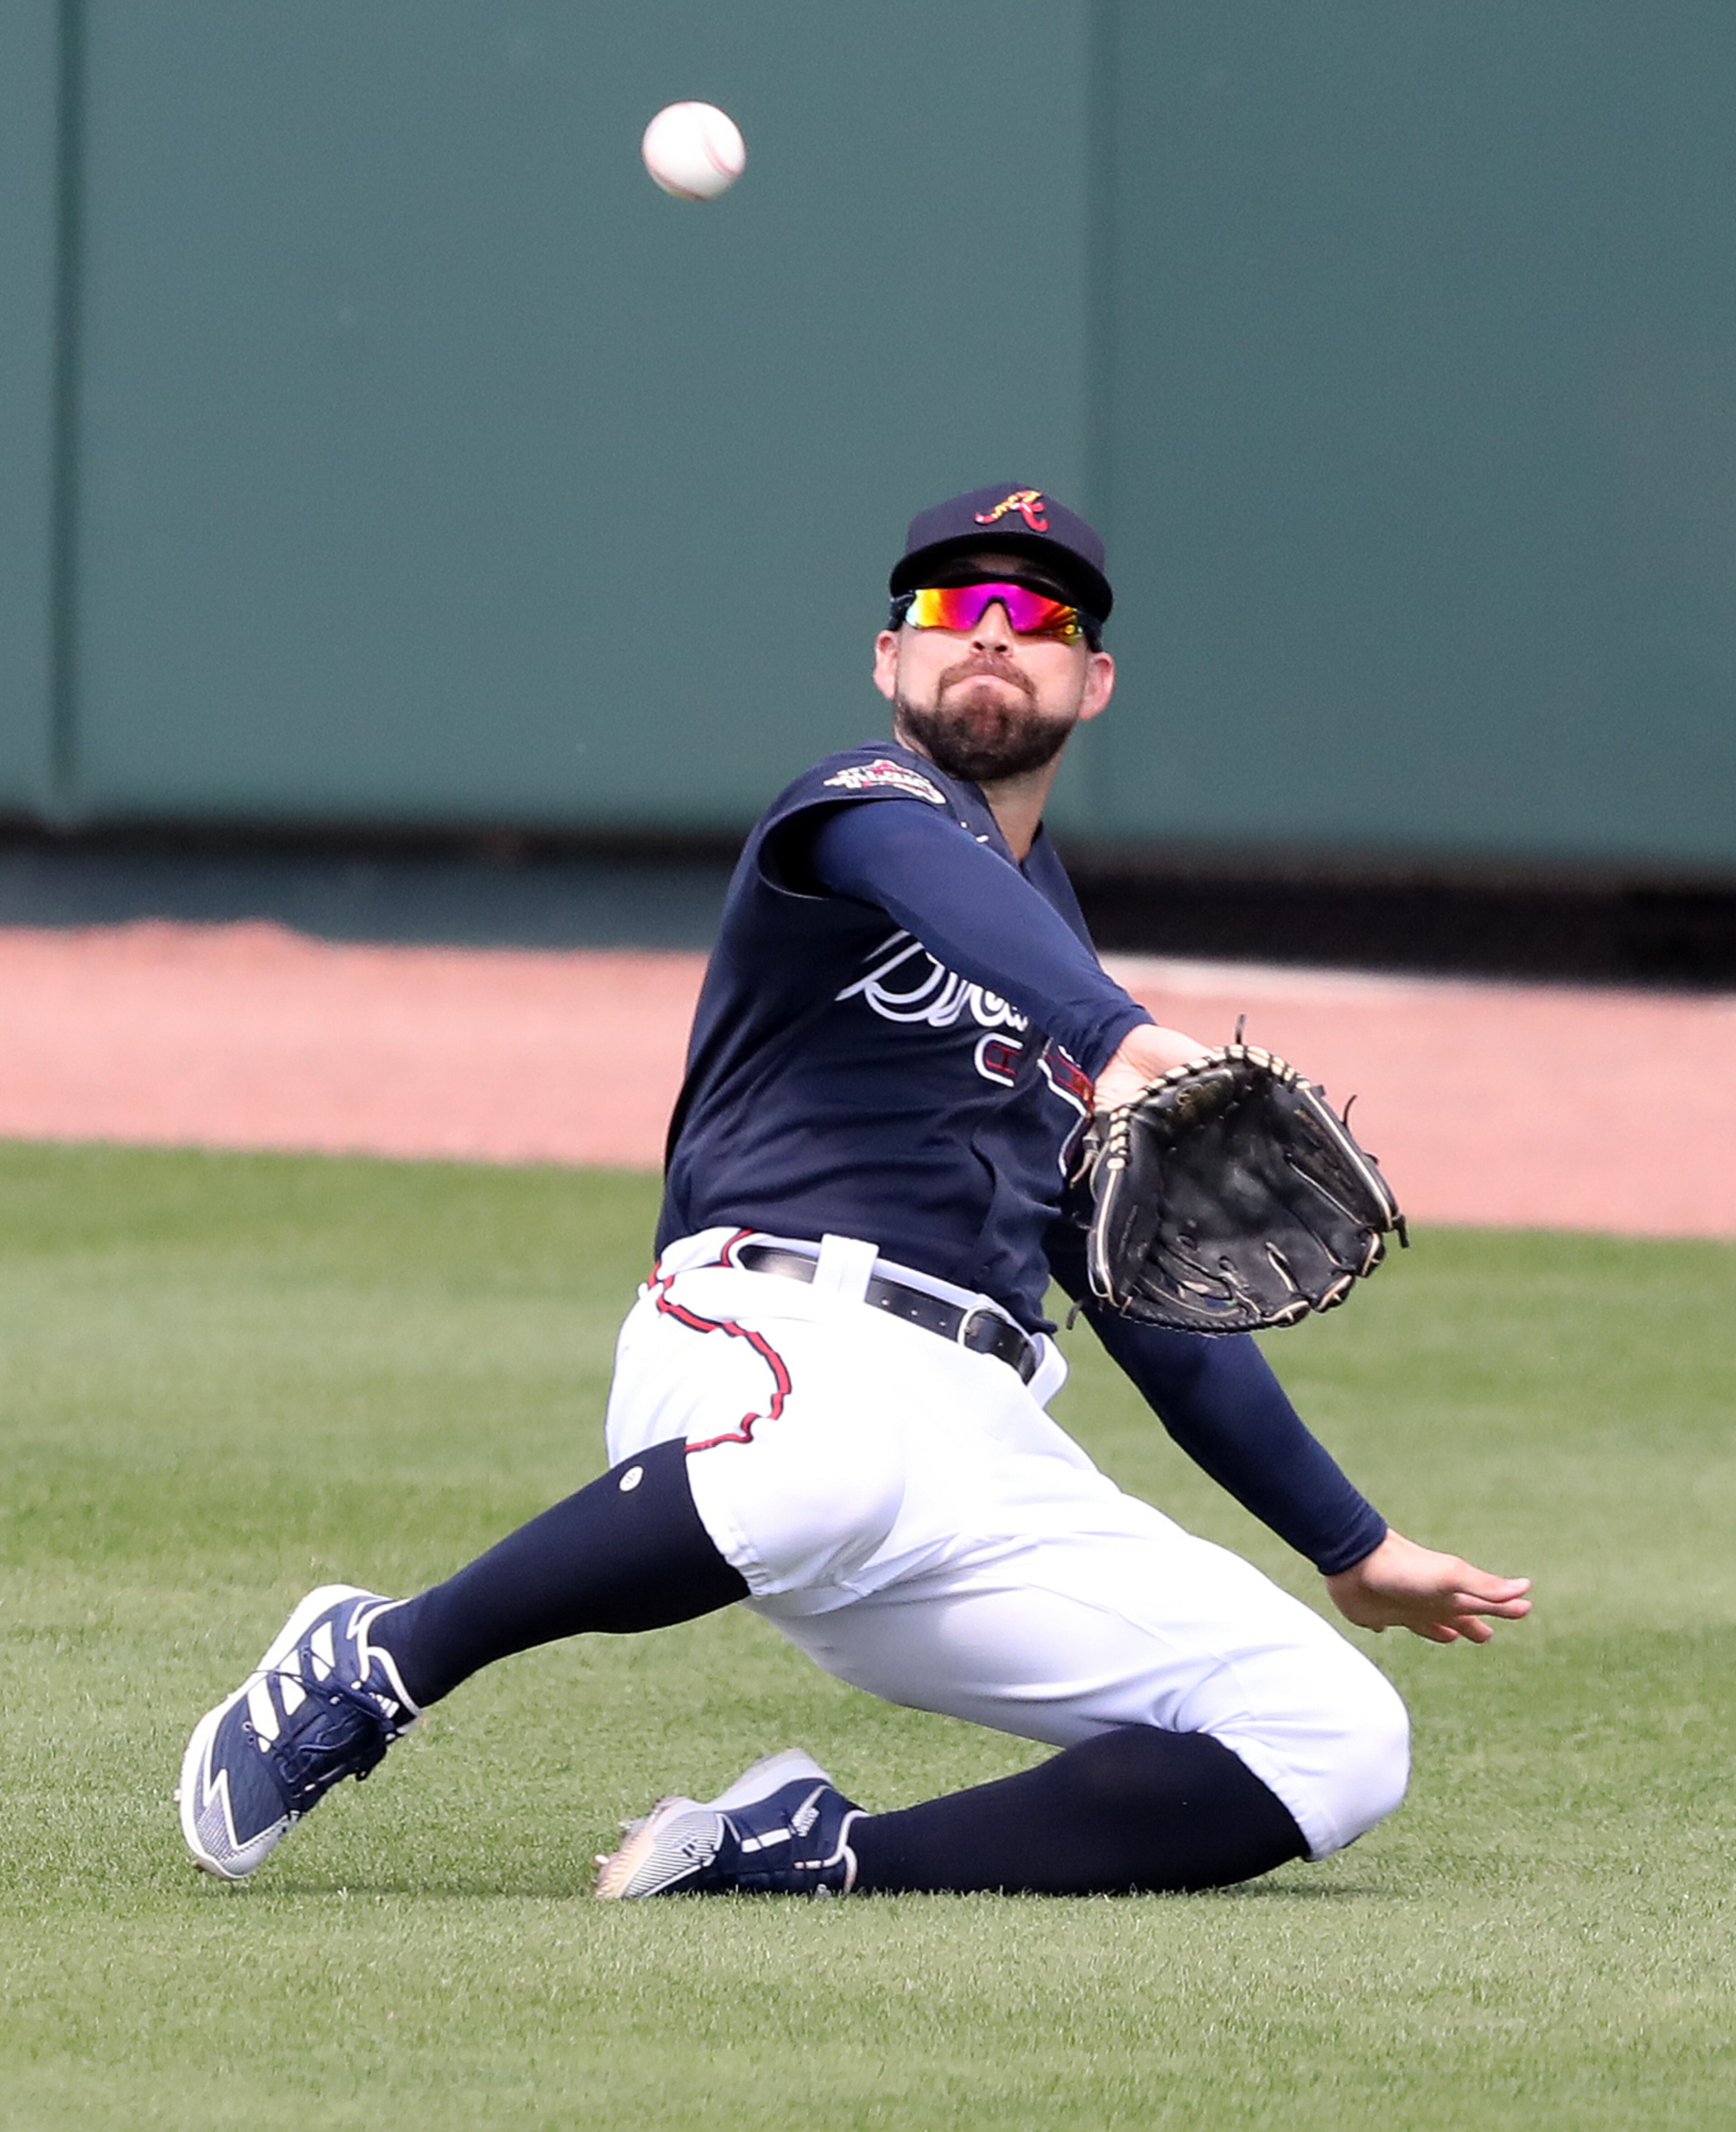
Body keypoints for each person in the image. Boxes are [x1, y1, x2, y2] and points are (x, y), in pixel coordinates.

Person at [178, 484, 1530, 1898]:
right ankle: (381, 1657)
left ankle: (798, 1854)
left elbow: (1145, 1301)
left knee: (1338, 1737)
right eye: (952, 607)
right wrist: (1113, 1034)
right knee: (840, 1461)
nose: (991, 634)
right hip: (761, 1343)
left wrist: (1352, 1541)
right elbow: (927, 873)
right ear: (890, 659)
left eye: (1038, 615)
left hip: (977, 1446)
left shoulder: (1052, 942)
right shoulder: (855, 811)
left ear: (1096, 679)